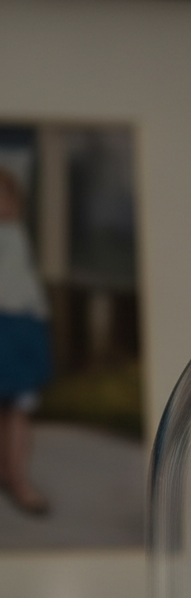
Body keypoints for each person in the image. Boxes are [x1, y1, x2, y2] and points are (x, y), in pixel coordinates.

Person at [0, 165, 51, 513]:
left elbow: (26, 291)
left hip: (21, 331)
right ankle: (11, 475)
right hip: (9, 328)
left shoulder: (16, 235)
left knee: (18, 409)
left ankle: (17, 478)